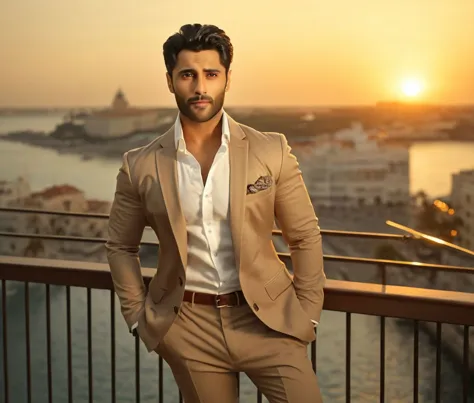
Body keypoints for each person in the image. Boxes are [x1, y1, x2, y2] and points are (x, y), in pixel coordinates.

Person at [106, 23, 326, 403]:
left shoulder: (270, 150)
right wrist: (139, 318)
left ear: (227, 78)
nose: (200, 87)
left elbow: (304, 236)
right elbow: (120, 247)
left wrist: (306, 314)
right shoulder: (139, 165)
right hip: (188, 326)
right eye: (187, 74)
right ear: (170, 80)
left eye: (211, 74)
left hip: (270, 322)